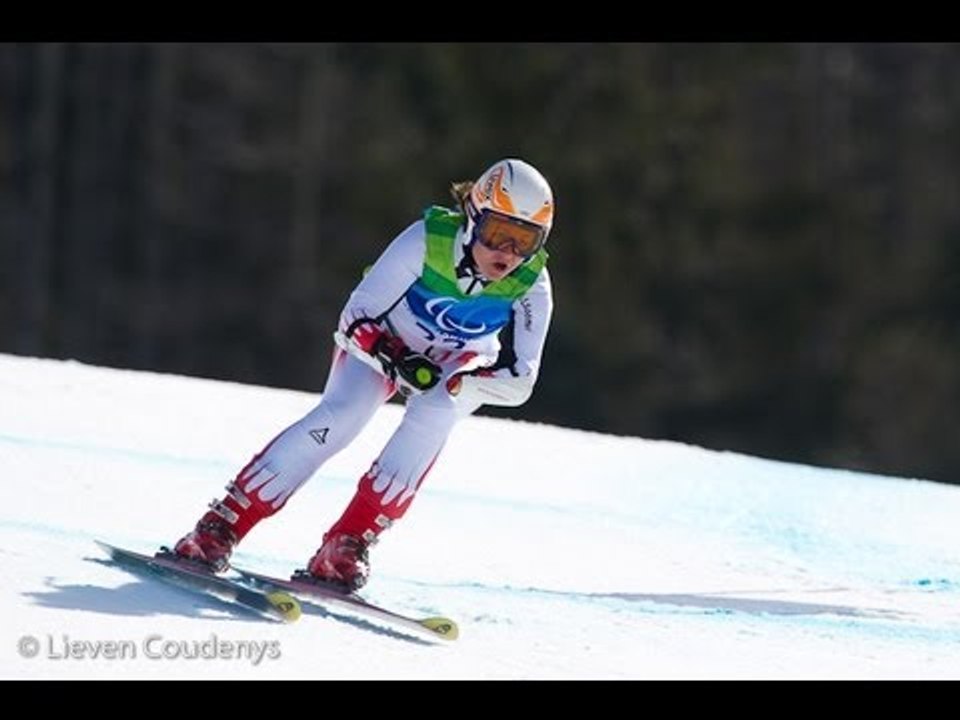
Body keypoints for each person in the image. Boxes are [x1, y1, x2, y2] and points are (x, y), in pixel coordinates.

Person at [170, 158, 555, 591]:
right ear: (471, 218)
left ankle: (347, 544)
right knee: (344, 415)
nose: (507, 253)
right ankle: (221, 525)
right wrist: (395, 359)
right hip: (381, 341)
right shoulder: (427, 240)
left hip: (455, 362)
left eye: (525, 240)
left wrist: (462, 383)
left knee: (437, 411)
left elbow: (520, 380)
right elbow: (355, 317)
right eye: (497, 233)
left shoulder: (531, 284)